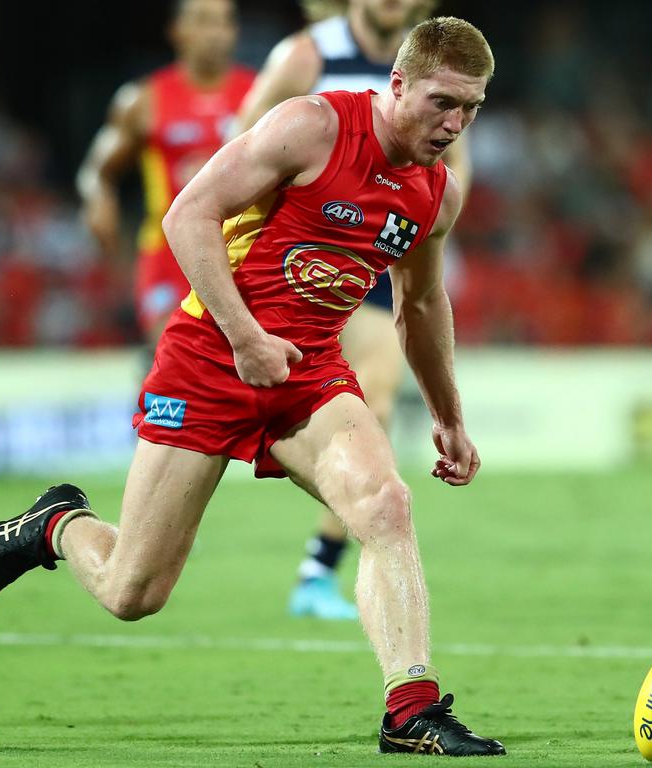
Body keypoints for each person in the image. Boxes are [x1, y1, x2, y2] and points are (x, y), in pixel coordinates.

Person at [0, 16, 505, 757]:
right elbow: (189, 214)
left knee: (385, 503)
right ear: (399, 83)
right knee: (133, 593)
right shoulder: (311, 127)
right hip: (210, 360)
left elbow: (418, 305)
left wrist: (448, 415)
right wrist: (246, 337)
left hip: (308, 374)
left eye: (472, 108)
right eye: (444, 102)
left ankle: (409, 710)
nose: (456, 123)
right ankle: (54, 524)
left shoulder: (433, 194)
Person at [236, 0, 473, 621]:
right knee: (139, 586)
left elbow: (452, 174)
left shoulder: (442, 66)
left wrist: (425, 213)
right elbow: (248, 141)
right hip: (294, 260)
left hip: (374, 257)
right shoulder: (307, 56)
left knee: (380, 397)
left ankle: (320, 567)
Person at [77, 0, 253, 347]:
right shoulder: (143, 101)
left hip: (242, 254)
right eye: (203, 21)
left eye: (224, 23)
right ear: (177, 31)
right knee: (178, 363)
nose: (216, 34)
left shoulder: (261, 96)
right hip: (168, 259)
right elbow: (97, 171)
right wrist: (98, 199)